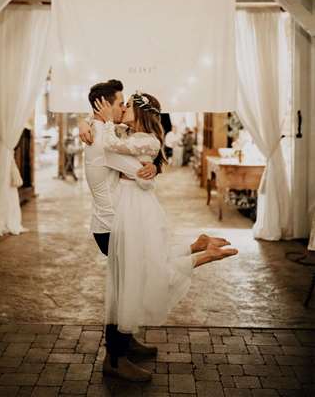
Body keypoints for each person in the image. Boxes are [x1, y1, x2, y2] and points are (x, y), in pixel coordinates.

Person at [92, 91, 238, 382]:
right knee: (132, 278)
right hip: (116, 218)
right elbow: (114, 154)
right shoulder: (107, 134)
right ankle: (116, 357)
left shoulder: (132, 136)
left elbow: (131, 157)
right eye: (120, 104)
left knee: (134, 276)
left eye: (127, 105)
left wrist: (151, 167)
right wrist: (145, 166)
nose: (123, 109)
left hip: (134, 212)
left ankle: (124, 343)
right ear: (104, 106)